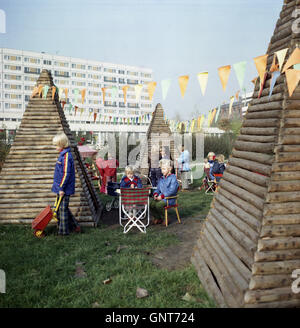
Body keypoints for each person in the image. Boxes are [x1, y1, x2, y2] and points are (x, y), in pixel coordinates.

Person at [52, 132, 81, 235]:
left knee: (62, 210)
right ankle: (75, 226)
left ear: (62, 144)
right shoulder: (62, 155)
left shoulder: (66, 156)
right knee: (62, 208)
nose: (55, 147)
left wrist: (61, 188)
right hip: (60, 188)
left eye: (56, 145)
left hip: (63, 189)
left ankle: (63, 232)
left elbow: (66, 174)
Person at [150, 159, 179, 224]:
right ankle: (157, 217)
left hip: (170, 198)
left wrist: (162, 196)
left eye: (164, 169)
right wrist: (156, 194)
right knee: (151, 204)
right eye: (161, 169)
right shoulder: (162, 178)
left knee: (158, 205)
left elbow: (172, 190)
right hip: (161, 197)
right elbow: (158, 188)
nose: (162, 171)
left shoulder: (173, 178)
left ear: (170, 169)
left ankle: (165, 218)